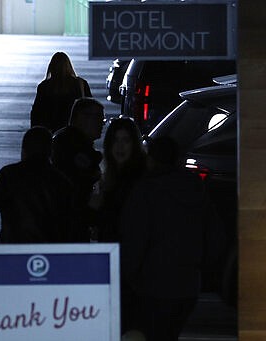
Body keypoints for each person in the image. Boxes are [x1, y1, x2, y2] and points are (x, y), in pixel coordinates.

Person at [119, 137, 225, 341]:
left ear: (150, 159)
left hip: (153, 284)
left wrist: (127, 277)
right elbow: (214, 236)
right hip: (188, 284)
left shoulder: (146, 190)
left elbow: (135, 240)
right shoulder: (195, 187)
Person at [0, 127, 75, 275]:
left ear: (24, 151)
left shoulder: (9, 175)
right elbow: (71, 224)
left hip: (10, 252)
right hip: (49, 258)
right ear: (50, 152)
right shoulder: (62, 182)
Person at [51, 97, 105, 242]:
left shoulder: (63, 139)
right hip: (70, 224)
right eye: (99, 118)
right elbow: (82, 188)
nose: (102, 124)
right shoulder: (75, 148)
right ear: (82, 118)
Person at [96, 118, 146, 243]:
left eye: (126, 140)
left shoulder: (139, 180)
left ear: (134, 144)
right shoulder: (109, 176)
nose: (120, 146)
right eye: (115, 140)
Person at [30, 52, 92, 133]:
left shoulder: (44, 87)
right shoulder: (81, 84)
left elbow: (37, 113)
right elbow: (90, 107)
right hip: (75, 131)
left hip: (51, 132)